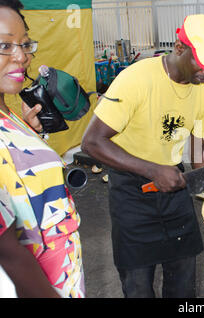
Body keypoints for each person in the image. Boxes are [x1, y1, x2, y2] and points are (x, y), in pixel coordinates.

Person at [81, 14, 204, 298]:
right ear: (178, 48)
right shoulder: (136, 79)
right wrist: (153, 171)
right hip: (130, 192)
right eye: (202, 63)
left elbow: (199, 152)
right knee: (138, 286)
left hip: (173, 187)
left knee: (183, 284)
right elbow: (91, 143)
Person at [0, 0, 84, 298]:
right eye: (4, 46)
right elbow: (8, 253)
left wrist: (33, 135)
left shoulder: (10, 117)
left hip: (64, 278)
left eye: (25, 44)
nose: (22, 56)